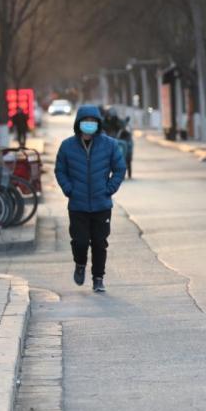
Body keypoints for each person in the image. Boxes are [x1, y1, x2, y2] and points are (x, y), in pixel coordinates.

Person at [54, 105, 127, 293]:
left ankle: (98, 278)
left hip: (101, 204)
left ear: (98, 124)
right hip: (77, 205)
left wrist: (109, 189)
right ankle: (80, 264)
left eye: (93, 122)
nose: (89, 125)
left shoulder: (109, 144)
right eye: (86, 121)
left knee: (99, 242)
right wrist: (69, 189)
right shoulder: (67, 146)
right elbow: (60, 170)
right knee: (79, 241)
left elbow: (119, 169)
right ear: (78, 123)